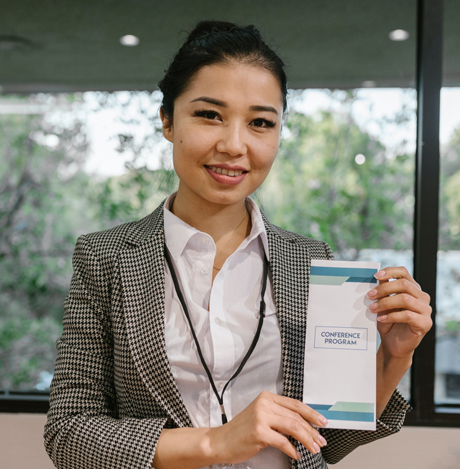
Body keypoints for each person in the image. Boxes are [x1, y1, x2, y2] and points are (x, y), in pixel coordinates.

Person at [44, 20, 432, 469]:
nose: (234, 144)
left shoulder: (311, 262)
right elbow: (70, 434)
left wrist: (393, 357)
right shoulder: (105, 258)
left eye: (260, 123)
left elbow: (327, 441)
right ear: (168, 121)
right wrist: (215, 443)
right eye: (209, 115)